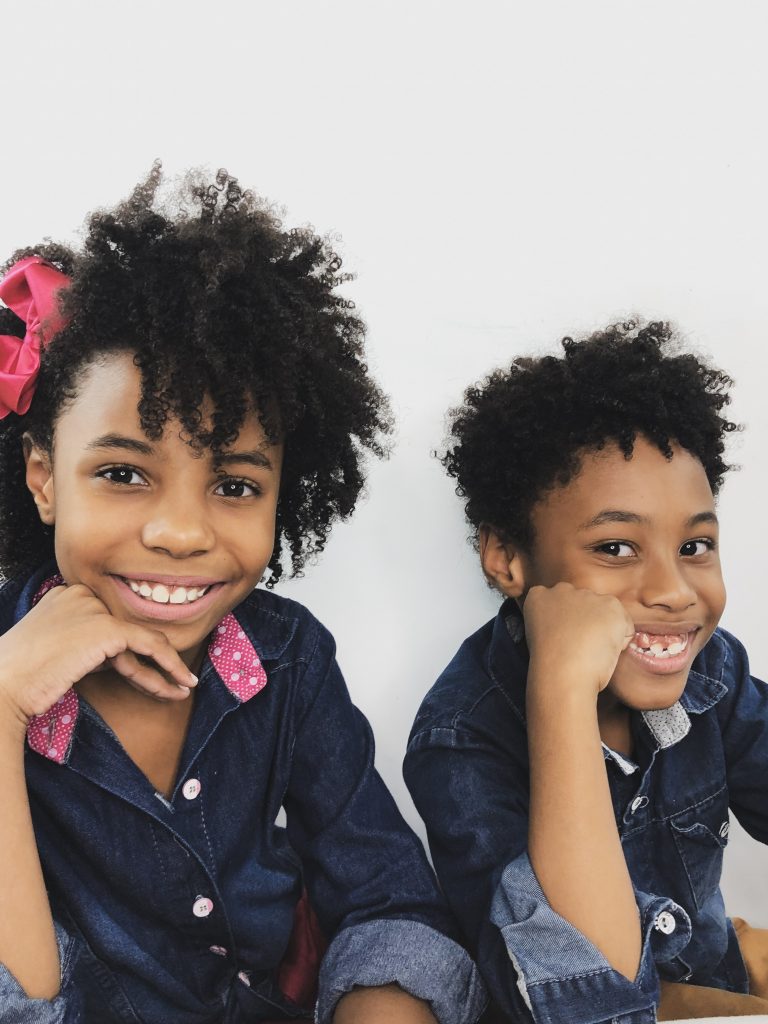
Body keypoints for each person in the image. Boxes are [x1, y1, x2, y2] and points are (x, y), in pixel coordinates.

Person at [0, 164, 485, 1024]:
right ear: (42, 478)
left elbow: (388, 902)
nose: (183, 533)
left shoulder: (287, 659)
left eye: (232, 485)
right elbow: (19, 999)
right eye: (122, 473)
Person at [404, 320, 768, 1022]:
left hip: (717, 988)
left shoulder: (712, 673)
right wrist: (563, 691)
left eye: (695, 544)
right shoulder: (462, 741)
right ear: (508, 560)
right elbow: (582, 1001)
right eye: (616, 547)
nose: (672, 590)